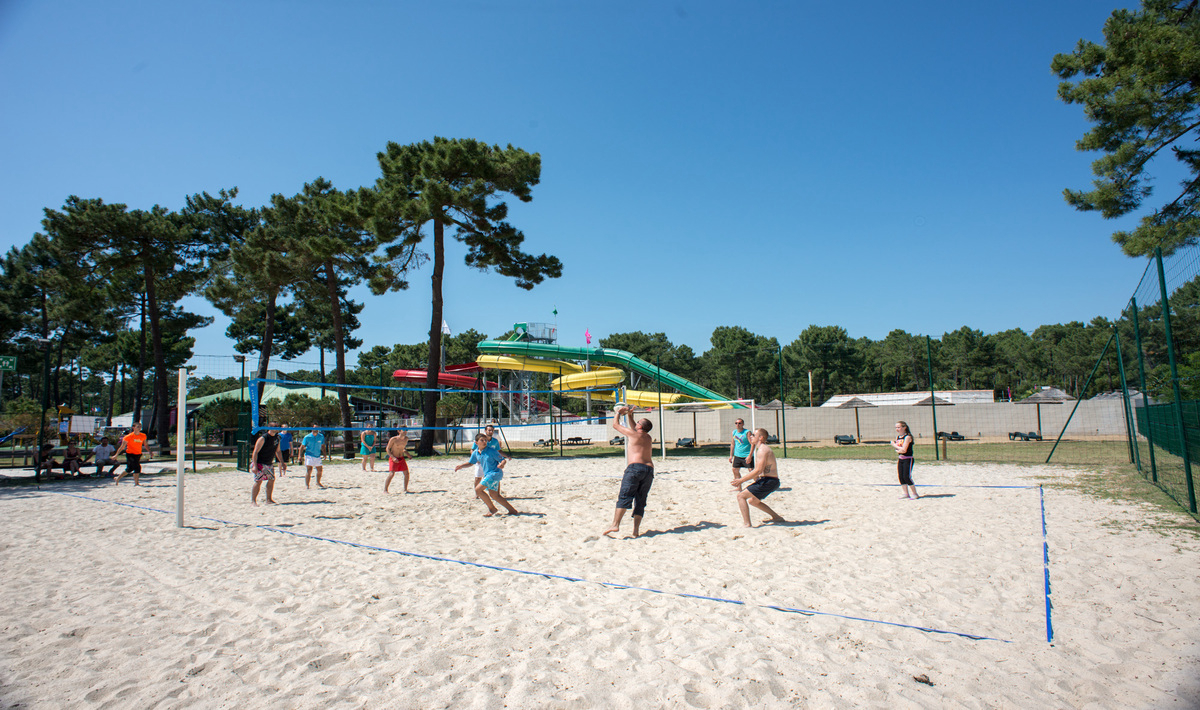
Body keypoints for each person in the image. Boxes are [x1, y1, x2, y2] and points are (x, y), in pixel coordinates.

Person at [602, 405, 655, 538]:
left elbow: (615, 425)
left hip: (635, 468)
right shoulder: (647, 437)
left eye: (638, 422)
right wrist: (630, 415)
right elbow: (634, 428)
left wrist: (618, 413)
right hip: (649, 470)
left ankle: (615, 524)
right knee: (641, 500)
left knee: (625, 496)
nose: (636, 423)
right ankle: (636, 530)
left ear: (640, 427)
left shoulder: (634, 434)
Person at [731, 428, 786, 527]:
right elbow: (759, 471)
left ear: (760, 438)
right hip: (768, 480)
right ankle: (777, 517)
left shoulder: (763, 450)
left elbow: (758, 470)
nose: (751, 437)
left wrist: (741, 480)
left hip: (769, 481)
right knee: (753, 501)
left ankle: (747, 524)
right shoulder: (760, 449)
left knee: (741, 496)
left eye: (753, 435)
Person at [454, 433, 518, 516]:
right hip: (489, 475)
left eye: (485, 440)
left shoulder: (491, 451)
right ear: (476, 442)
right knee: (495, 495)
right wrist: (461, 466)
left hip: (494, 474)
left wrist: (502, 464)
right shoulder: (476, 453)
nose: (484, 442)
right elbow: (470, 463)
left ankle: (492, 509)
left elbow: (503, 460)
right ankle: (512, 510)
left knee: (478, 490)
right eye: (482, 440)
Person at [251, 423, 283, 506]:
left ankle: (269, 500)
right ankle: (253, 501)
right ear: (269, 428)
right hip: (260, 463)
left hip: (269, 463)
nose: (276, 429)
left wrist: (282, 462)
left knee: (271, 480)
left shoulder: (277, 438)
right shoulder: (263, 438)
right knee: (258, 481)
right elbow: (255, 452)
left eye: (277, 427)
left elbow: (278, 451)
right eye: (274, 427)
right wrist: (254, 465)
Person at [472, 424, 508, 494]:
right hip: (480, 461)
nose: (490, 432)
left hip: (490, 462)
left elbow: (499, 451)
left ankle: (496, 494)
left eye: (492, 430)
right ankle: (478, 494)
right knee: (478, 478)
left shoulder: (495, 441)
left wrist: (506, 457)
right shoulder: (479, 440)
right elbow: (473, 450)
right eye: (489, 430)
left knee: (493, 478)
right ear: (485, 431)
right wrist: (475, 458)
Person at [891, 420, 919, 500]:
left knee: (907, 477)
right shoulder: (898, 437)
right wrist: (898, 448)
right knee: (901, 477)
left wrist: (894, 445)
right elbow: (900, 450)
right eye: (896, 427)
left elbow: (904, 450)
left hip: (908, 459)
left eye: (899, 427)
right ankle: (905, 493)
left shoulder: (908, 437)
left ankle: (915, 493)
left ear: (904, 427)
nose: (897, 429)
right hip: (901, 459)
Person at [729, 417, 754, 491]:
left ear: (743, 424)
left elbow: (752, 444)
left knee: (752, 471)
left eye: (739, 423)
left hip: (746, 455)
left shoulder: (747, 432)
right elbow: (733, 444)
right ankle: (739, 487)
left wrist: (750, 455)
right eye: (736, 423)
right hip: (737, 455)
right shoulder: (734, 432)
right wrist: (731, 456)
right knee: (735, 470)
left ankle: (760, 485)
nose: (738, 424)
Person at [384, 429, 410, 494]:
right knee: (391, 474)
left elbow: (403, 448)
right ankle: (385, 490)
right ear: (399, 431)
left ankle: (405, 489)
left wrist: (408, 454)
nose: (405, 431)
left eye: (406, 430)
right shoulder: (394, 439)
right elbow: (387, 448)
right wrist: (392, 457)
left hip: (401, 458)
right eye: (403, 430)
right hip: (394, 457)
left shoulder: (406, 439)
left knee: (406, 473)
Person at [301, 425, 325, 490]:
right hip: (309, 455)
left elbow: (323, 446)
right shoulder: (307, 437)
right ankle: (307, 485)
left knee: (320, 470)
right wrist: (299, 456)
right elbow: (302, 447)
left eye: (317, 428)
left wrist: (325, 454)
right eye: (314, 428)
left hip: (317, 455)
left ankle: (318, 482)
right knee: (309, 470)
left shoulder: (321, 436)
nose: (315, 429)